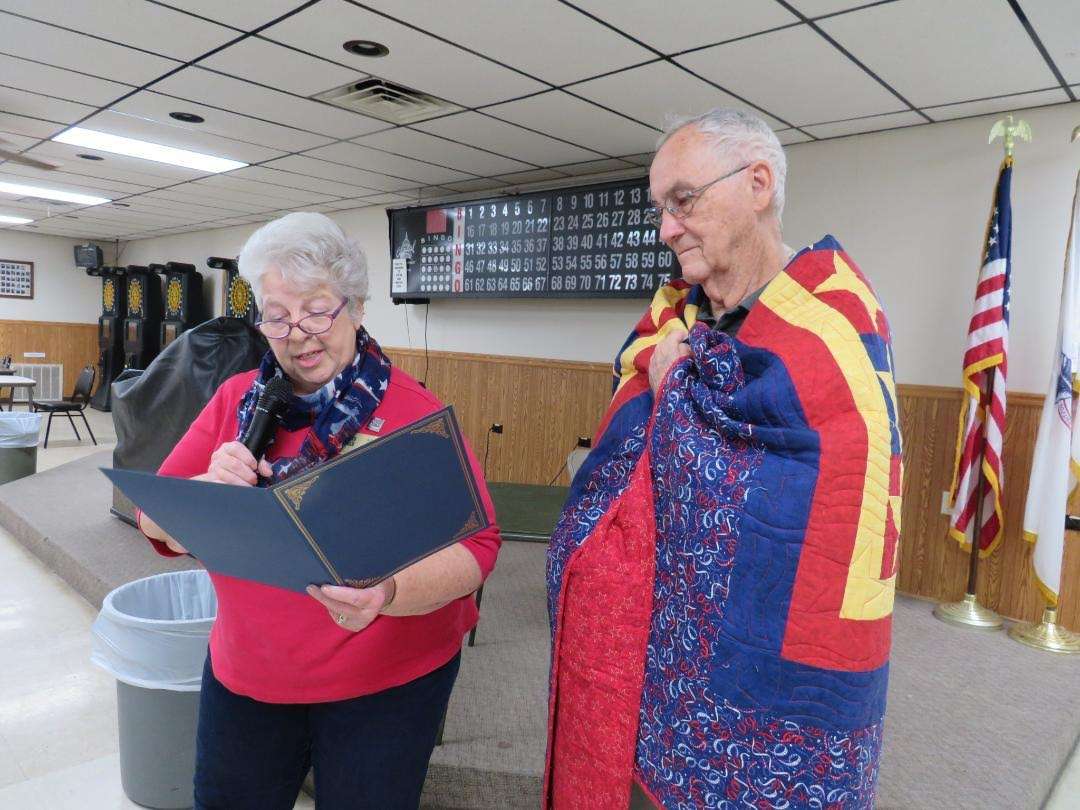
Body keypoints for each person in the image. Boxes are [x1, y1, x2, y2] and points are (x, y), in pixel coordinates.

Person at [544, 108, 902, 809]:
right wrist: (666, 377)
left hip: (770, 673)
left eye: (683, 200)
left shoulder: (831, 319)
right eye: (660, 208)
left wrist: (675, 383)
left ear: (758, 184)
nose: (666, 227)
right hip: (654, 646)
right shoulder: (670, 323)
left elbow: (826, 479)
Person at [137, 212, 501, 810]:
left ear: (355, 308)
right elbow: (156, 522)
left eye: (317, 310)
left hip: (383, 686)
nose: (297, 333)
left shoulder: (412, 412)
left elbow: (478, 549)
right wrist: (208, 487)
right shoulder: (238, 401)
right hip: (248, 675)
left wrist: (388, 592)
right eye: (277, 315)